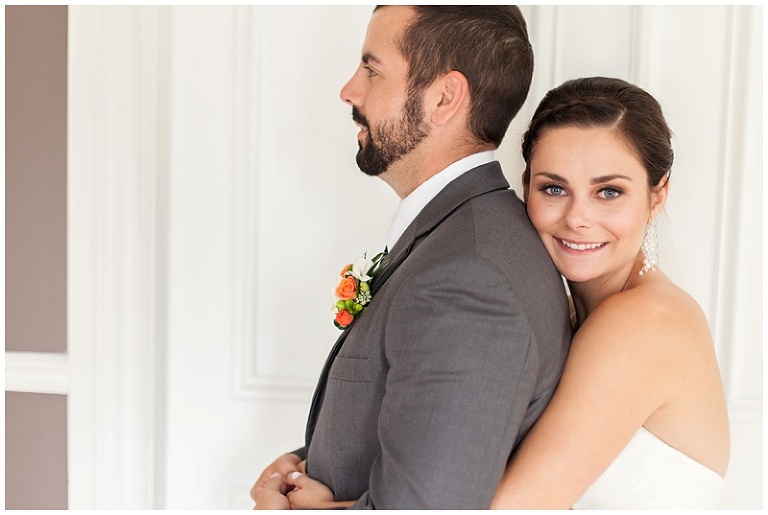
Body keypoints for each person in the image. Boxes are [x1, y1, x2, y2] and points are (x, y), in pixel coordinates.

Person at [279, 77, 731, 509]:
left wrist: (328, 508)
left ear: (657, 196)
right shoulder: (565, 311)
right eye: (554, 188)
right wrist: (303, 463)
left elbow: (503, 508)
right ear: (526, 186)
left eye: (608, 192)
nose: (577, 218)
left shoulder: (643, 324)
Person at [249, 5, 572, 510]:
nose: (349, 91)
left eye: (372, 69)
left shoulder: (470, 276)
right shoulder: (458, 238)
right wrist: (306, 462)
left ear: (444, 97)